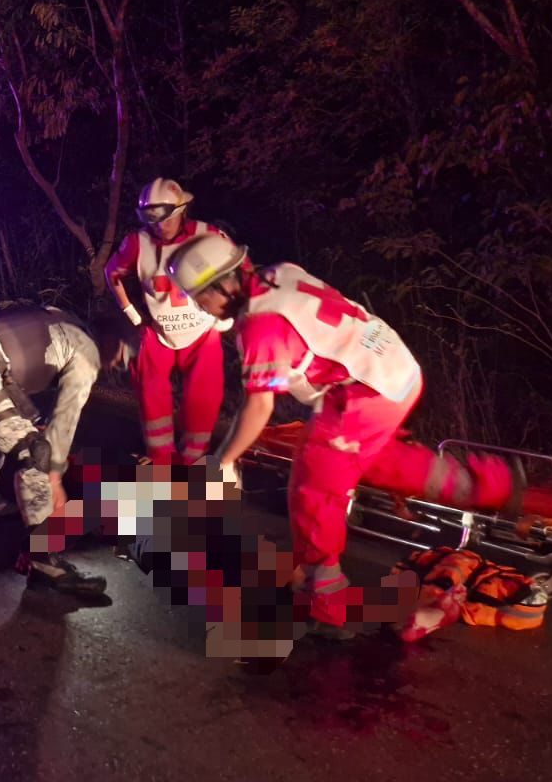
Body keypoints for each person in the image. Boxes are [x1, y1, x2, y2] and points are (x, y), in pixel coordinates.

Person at [166, 234, 527, 638]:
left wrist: (224, 459)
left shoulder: (259, 324)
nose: (200, 307)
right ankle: (487, 484)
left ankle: (324, 599)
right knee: (371, 460)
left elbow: (259, 406)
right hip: (393, 369)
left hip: (362, 390)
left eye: (199, 297)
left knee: (314, 483)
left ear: (223, 285)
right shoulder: (279, 273)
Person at [0, 303, 118, 595]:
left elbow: (10, 370)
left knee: (0, 431)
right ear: (110, 341)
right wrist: (53, 478)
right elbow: (65, 418)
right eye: (123, 354)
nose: (119, 363)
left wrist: (32, 421)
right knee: (35, 454)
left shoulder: (60, 319)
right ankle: (42, 560)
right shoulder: (88, 352)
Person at [105, 179, 239, 465]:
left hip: (202, 330)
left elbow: (236, 271)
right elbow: (112, 273)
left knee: (204, 397)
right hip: (159, 331)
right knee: (150, 392)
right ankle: (161, 458)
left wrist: (226, 314)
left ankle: (192, 458)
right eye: (152, 219)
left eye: (166, 218)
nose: (160, 226)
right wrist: (131, 313)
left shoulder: (207, 234)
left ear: (182, 210)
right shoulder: (137, 243)